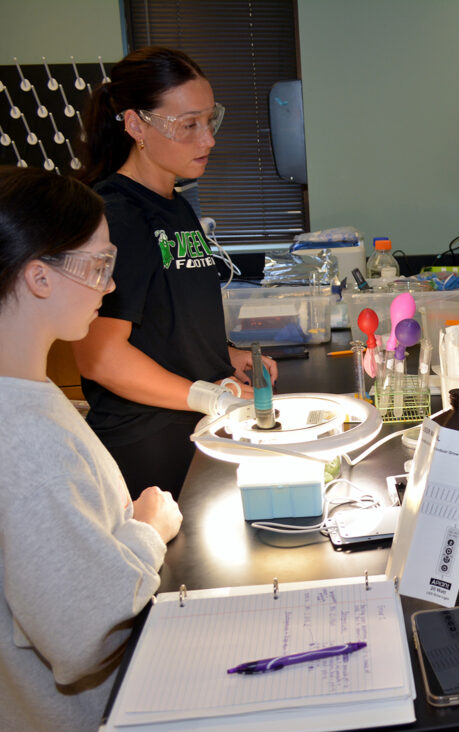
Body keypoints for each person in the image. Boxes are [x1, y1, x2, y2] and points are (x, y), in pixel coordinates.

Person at [0, 165, 182, 731]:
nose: (110, 285)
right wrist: (147, 529)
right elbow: (84, 630)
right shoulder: (24, 441)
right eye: (100, 266)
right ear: (40, 277)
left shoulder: (27, 388)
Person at [73, 47, 276, 499]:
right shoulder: (115, 216)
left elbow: (168, 313)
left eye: (210, 121)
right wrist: (210, 396)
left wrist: (227, 354)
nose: (208, 140)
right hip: (147, 448)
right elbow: (100, 357)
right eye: (188, 126)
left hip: (196, 433)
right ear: (135, 125)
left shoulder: (177, 204)